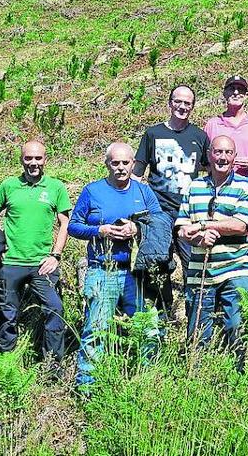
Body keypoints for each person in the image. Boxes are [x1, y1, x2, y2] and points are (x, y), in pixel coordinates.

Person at [68, 143, 163, 388]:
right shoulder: (93, 191)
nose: (120, 168)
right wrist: (101, 230)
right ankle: (87, 387)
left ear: (134, 164)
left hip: (136, 273)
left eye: (125, 163)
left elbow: (160, 220)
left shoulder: (143, 192)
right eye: (115, 163)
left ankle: (147, 381)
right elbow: (73, 226)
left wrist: (137, 227)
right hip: (102, 270)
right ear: (107, 164)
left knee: (147, 329)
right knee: (95, 332)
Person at [0, 140, 72, 364]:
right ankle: (6, 365)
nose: (33, 163)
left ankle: (52, 366)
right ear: (21, 160)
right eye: (28, 158)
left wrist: (55, 255)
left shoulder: (56, 188)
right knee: (8, 316)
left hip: (41, 264)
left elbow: (65, 224)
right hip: (12, 263)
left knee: (55, 309)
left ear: (45, 160)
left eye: (38, 158)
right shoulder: (8, 186)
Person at [174, 136, 248, 360]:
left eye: (228, 153)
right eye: (218, 152)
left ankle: (239, 376)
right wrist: (198, 239)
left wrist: (203, 225)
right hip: (201, 269)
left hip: (235, 267)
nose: (223, 157)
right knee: (198, 330)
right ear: (210, 155)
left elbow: (240, 225)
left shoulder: (244, 185)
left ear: (234, 157)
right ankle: (199, 377)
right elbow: (182, 228)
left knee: (235, 325)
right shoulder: (195, 186)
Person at [134, 85, 209, 316]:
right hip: (159, 211)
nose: (182, 107)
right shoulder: (153, 134)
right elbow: (137, 174)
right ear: (170, 103)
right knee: (158, 263)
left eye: (188, 103)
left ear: (192, 107)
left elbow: (209, 172)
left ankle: (193, 318)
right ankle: (163, 315)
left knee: (194, 267)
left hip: (188, 213)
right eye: (178, 101)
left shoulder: (200, 136)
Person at [204, 75, 248, 176]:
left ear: (246, 95)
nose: (236, 93)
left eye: (240, 90)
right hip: (220, 184)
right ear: (224, 93)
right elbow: (204, 159)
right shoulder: (212, 125)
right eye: (231, 89)